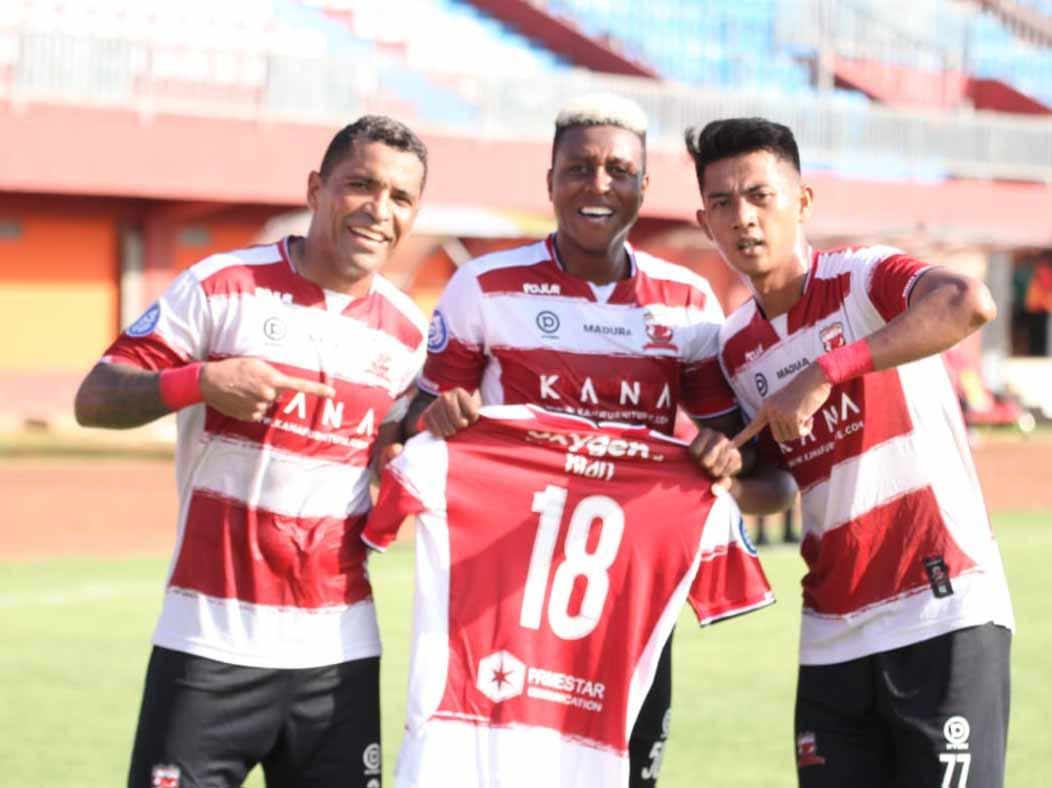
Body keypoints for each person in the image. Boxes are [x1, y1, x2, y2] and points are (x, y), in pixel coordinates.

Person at [400, 94, 796, 788]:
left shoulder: (686, 303)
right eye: (579, 168)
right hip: (499, 599)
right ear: (550, 180)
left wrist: (722, 460)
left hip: (628, 600)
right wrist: (434, 422)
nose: (599, 184)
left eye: (619, 170)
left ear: (644, 186)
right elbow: (413, 431)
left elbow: (749, 464)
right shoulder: (481, 287)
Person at [74, 115, 430, 788]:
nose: (379, 211)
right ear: (316, 188)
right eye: (362, 185)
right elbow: (95, 397)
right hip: (207, 647)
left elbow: (395, 461)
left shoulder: (410, 336)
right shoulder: (221, 284)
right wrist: (202, 381)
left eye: (401, 198)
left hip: (339, 656)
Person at [685, 117, 1014, 788]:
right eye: (722, 204)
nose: (743, 218)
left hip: (942, 608)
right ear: (705, 220)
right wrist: (731, 476)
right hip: (832, 631)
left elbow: (967, 301)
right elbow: (776, 486)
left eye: (759, 195)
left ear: (802, 202)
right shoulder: (733, 346)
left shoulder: (861, 277)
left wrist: (827, 369)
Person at [367, 404, 775, 788]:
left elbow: (388, 496)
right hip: (587, 758)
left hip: (455, 743)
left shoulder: (444, 454)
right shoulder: (692, 493)